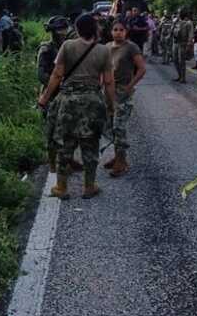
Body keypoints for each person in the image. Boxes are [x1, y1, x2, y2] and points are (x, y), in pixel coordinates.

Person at [37, 13, 115, 200]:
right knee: (90, 145)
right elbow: (109, 82)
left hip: (68, 101)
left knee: (65, 144)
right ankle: (89, 186)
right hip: (92, 101)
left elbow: (56, 75)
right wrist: (111, 105)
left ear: (77, 29)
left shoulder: (67, 46)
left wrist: (44, 98)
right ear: (96, 29)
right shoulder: (104, 50)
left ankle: (61, 187)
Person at [37, 15, 81, 173]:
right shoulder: (47, 49)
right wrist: (56, 84)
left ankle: (68, 159)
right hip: (53, 94)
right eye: (58, 30)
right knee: (52, 131)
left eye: (63, 29)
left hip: (69, 93)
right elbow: (41, 74)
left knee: (71, 130)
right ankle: (53, 164)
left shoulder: (70, 48)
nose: (62, 33)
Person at [105, 20, 147, 177]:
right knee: (110, 126)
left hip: (123, 92)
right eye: (115, 29)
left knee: (119, 127)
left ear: (126, 32)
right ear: (111, 32)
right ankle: (117, 156)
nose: (118, 32)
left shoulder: (131, 47)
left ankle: (121, 162)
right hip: (109, 91)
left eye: (121, 30)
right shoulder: (107, 47)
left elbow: (142, 69)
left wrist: (130, 86)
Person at [172, 11, 194, 83]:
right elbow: (172, 31)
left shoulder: (188, 23)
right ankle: (179, 75)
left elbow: (191, 35)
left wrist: (189, 44)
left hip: (183, 43)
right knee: (175, 60)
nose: (177, 14)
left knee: (182, 61)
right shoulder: (176, 21)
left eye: (179, 13)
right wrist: (174, 23)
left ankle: (183, 78)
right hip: (176, 42)